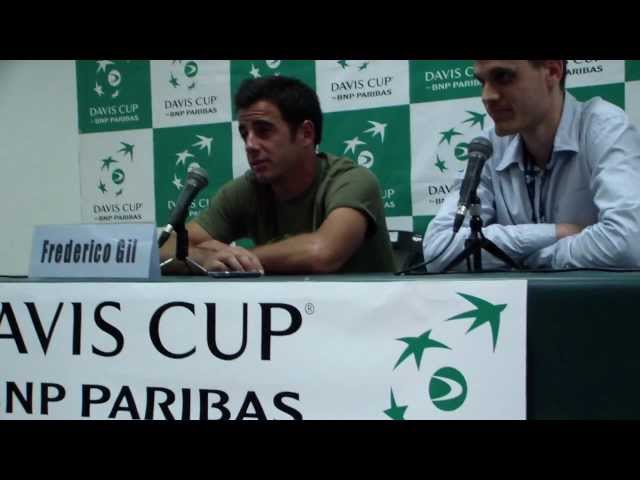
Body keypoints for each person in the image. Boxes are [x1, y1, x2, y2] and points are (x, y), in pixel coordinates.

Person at [160, 75, 395, 274]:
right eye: (244, 133)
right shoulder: (247, 189)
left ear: (305, 133)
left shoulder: (352, 180)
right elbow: (165, 248)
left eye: (263, 131)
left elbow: (322, 252)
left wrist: (235, 257)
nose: (250, 144)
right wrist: (203, 258)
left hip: (366, 321)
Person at [424, 60, 640, 271]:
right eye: (482, 82)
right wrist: (556, 233)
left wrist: (534, 259)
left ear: (553, 71)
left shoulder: (604, 127)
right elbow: (438, 249)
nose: (487, 96)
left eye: (504, 77)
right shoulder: (489, 147)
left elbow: (628, 242)